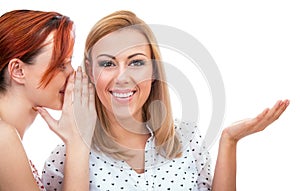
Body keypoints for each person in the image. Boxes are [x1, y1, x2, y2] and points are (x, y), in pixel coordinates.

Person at [42, 10, 289, 190]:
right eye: (108, 64)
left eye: (136, 62)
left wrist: (229, 141)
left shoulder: (187, 138)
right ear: (90, 71)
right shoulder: (66, 155)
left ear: (154, 70)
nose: (122, 77)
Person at [0, 9, 96, 191]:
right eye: (61, 65)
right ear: (18, 71)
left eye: (70, 62)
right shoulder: (3, 138)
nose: (72, 74)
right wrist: (78, 142)